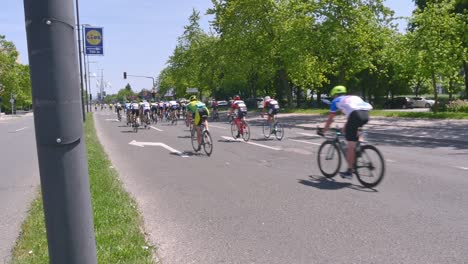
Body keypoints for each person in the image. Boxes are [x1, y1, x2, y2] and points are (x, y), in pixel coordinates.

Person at [318, 85, 373, 179]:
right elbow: (350, 116)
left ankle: (349, 171)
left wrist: (324, 130)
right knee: (355, 132)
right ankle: (360, 146)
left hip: (356, 115)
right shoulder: (352, 98)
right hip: (366, 115)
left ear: (334, 95)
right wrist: (344, 128)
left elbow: (330, 119)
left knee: (350, 145)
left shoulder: (336, 101)